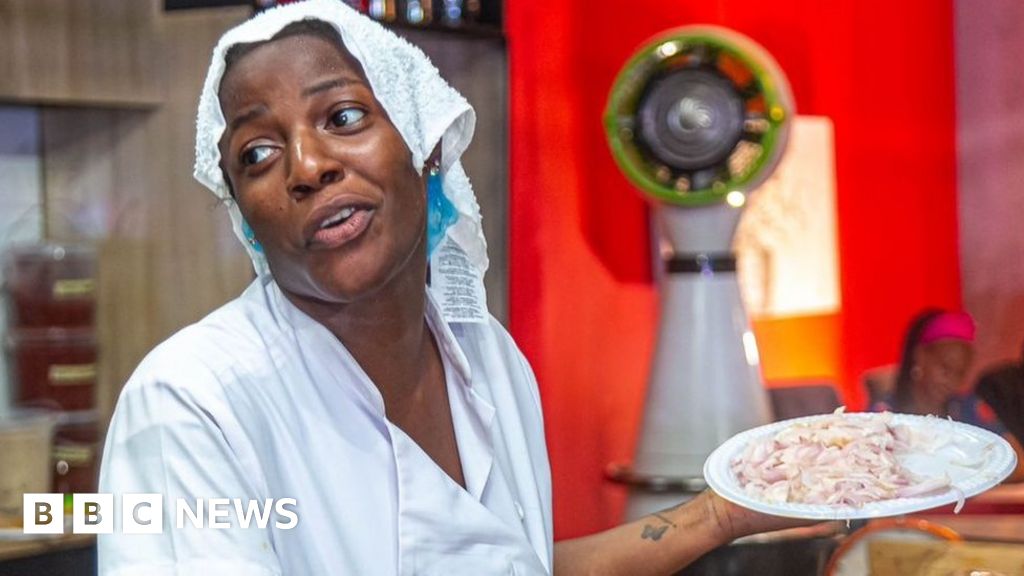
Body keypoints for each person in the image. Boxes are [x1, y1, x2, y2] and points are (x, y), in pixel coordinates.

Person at [98, 1, 802, 574]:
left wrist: (722, 512)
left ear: (426, 141)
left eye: (342, 118)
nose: (306, 167)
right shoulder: (194, 401)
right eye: (257, 153)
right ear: (243, 211)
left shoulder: (486, 357)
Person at [875, 309, 1024, 483]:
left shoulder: (969, 407)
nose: (952, 381)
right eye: (945, 369)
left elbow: (1018, 462)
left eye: (959, 373)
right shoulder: (885, 414)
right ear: (920, 356)